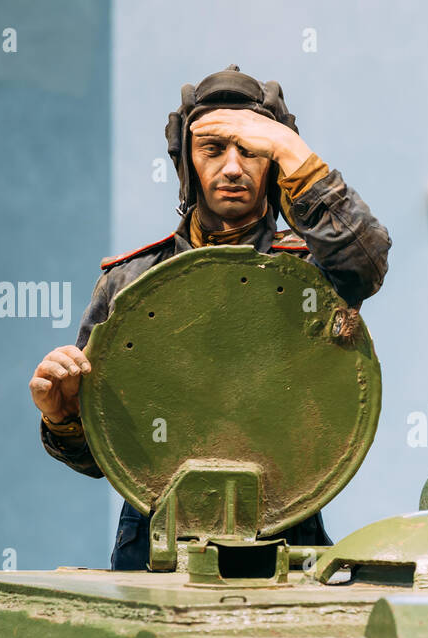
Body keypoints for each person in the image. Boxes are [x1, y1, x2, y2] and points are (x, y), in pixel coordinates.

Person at [29, 65, 391, 570]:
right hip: (156, 543)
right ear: (187, 163)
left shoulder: (312, 273)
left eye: (252, 149)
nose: (234, 167)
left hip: (288, 533)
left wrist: (292, 152)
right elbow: (106, 460)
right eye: (214, 148)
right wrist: (64, 416)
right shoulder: (134, 283)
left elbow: (367, 262)